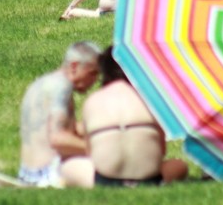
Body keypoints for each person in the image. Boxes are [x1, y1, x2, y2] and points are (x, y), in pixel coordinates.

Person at [60, 46, 189, 188]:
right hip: (149, 179)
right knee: (179, 165)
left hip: (105, 180)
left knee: (68, 166)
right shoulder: (150, 101)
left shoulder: (93, 101)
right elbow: (161, 150)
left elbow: (92, 152)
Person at [10, 41, 101, 188]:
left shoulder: (44, 82)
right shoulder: (62, 88)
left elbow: (59, 128)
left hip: (27, 173)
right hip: (47, 173)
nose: (95, 80)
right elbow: (58, 139)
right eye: (92, 73)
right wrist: (96, 150)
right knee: (109, 175)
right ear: (74, 66)